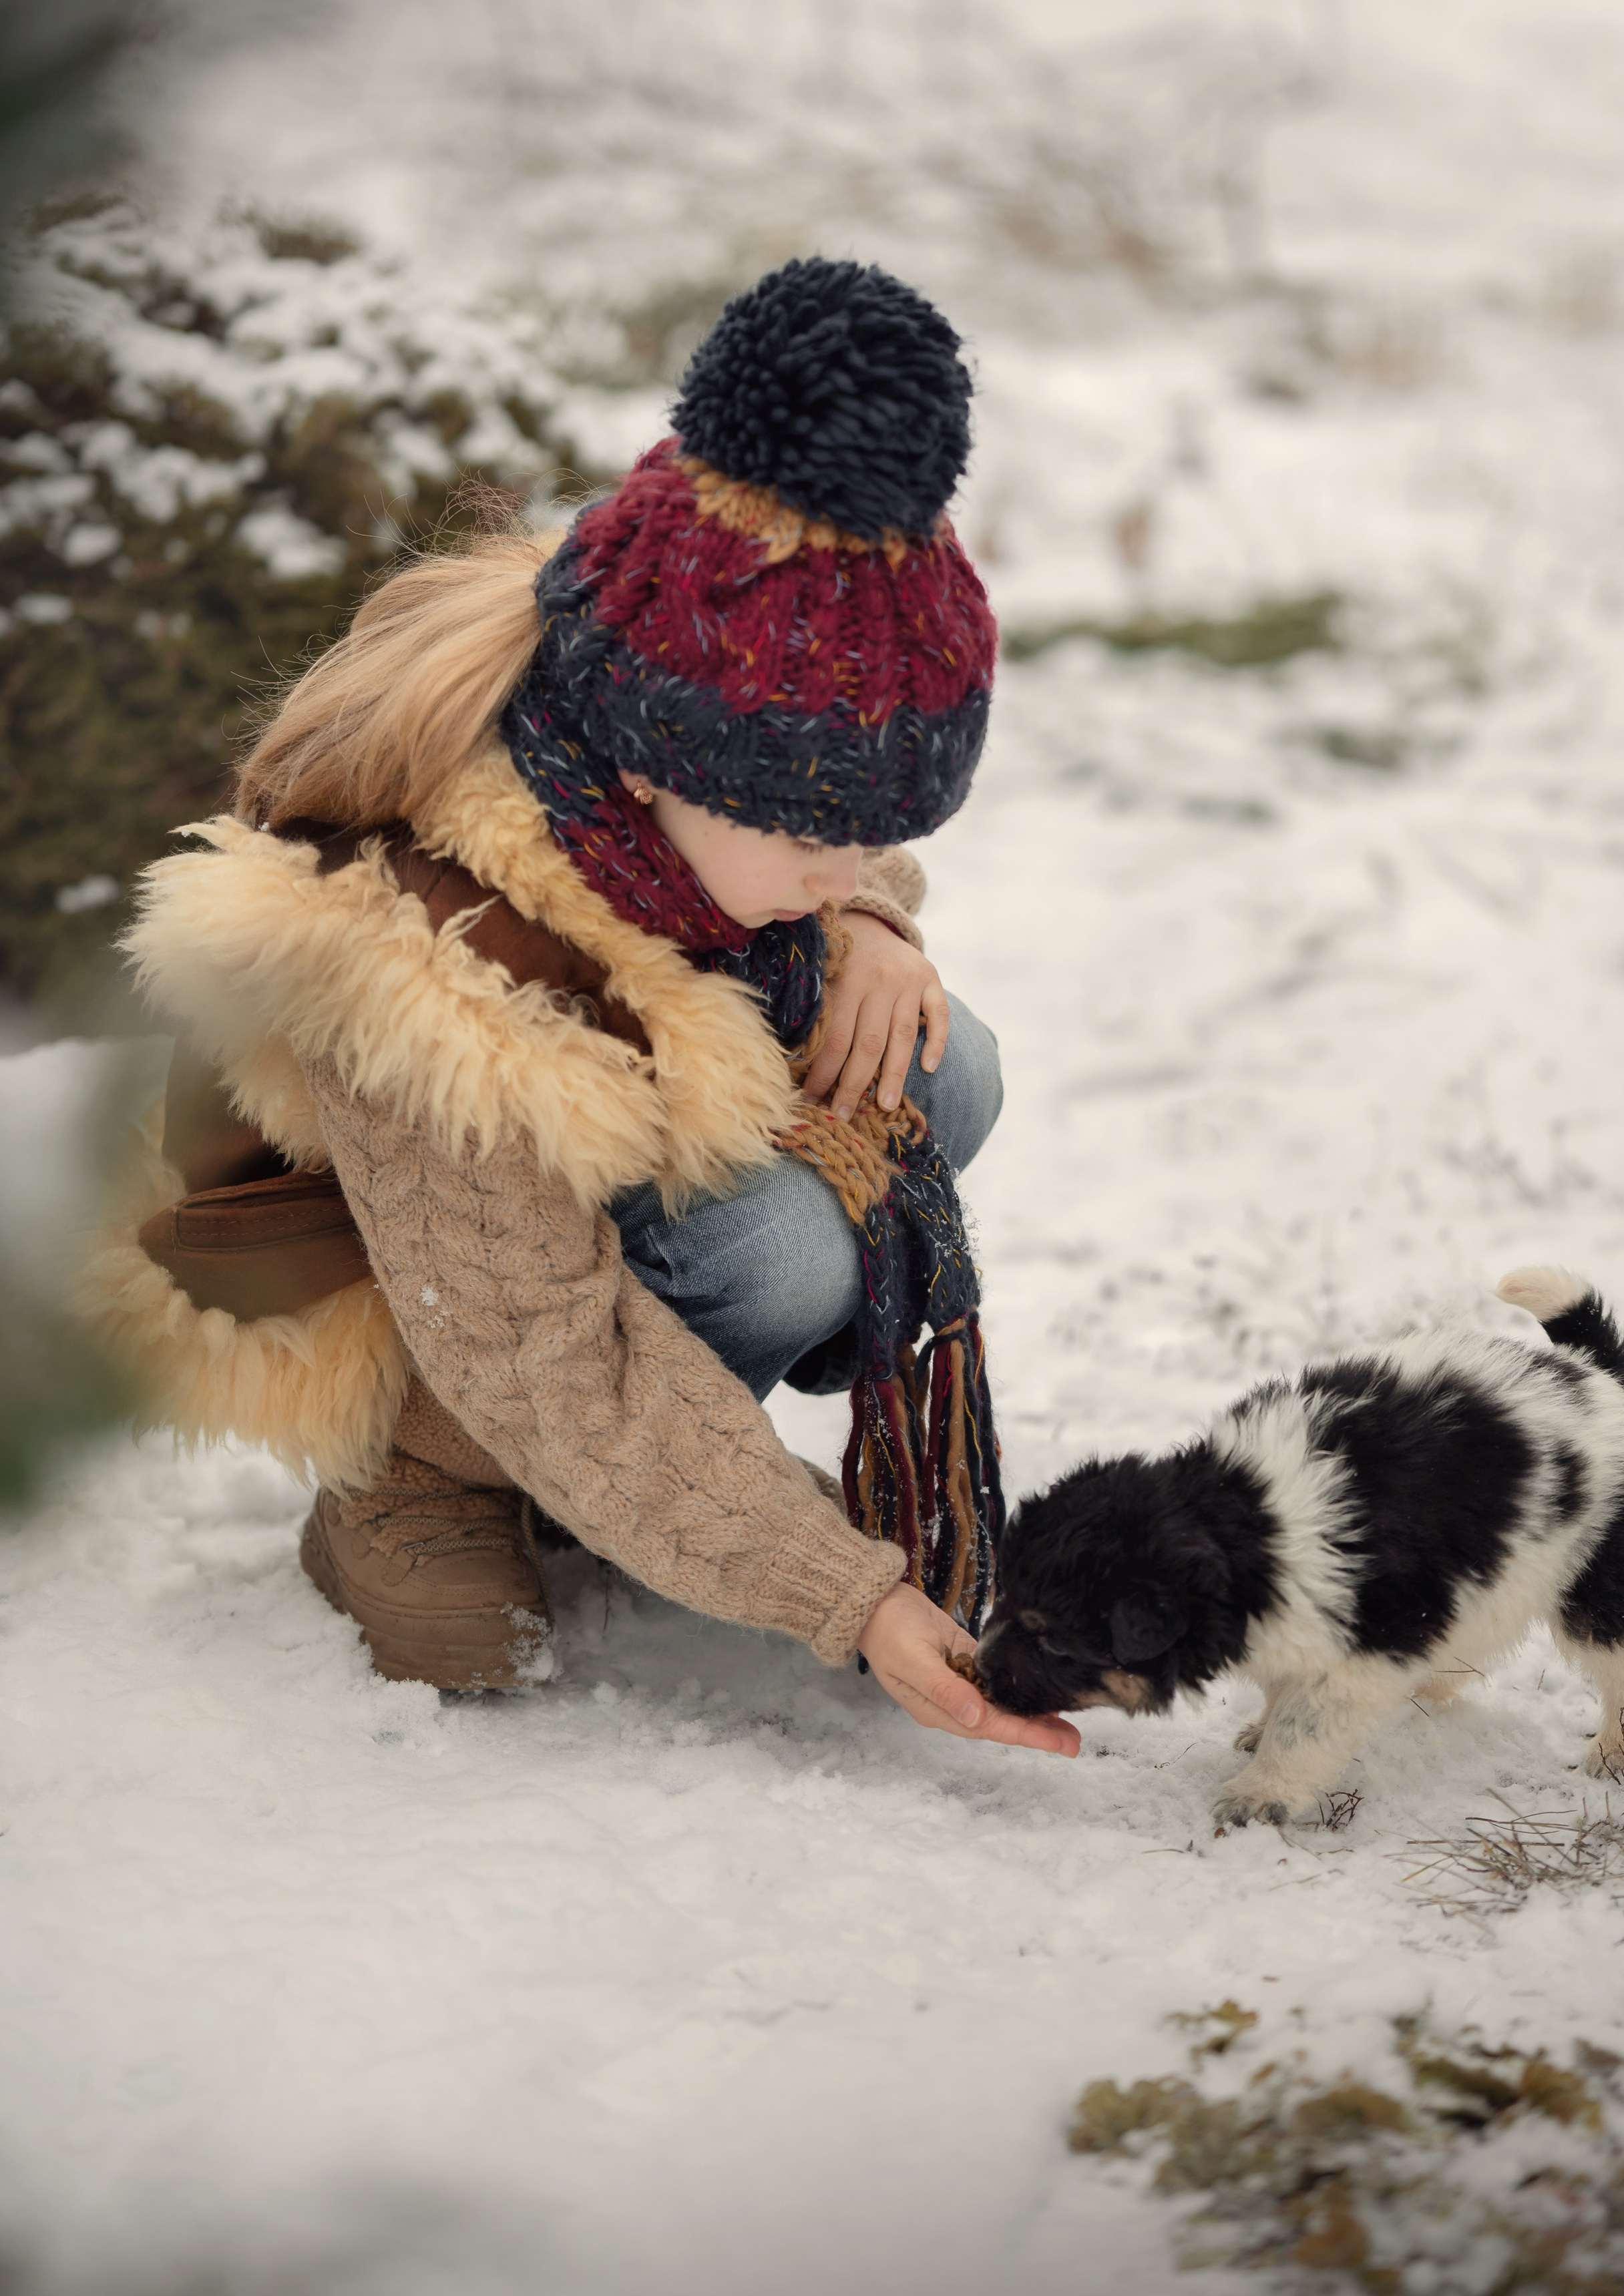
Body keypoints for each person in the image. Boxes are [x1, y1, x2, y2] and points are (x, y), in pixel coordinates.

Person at [84, 258, 1079, 1761]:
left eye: (860, 835)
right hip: (407, 1287)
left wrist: (869, 918)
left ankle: (644, 1487)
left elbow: (830, 842)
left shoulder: (665, 694)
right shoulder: (423, 958)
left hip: (566, 1198)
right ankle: (414, 1476)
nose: (841, 868)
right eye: (816, 840)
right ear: (658, 763)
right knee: (761, 1260)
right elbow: (548, 1349)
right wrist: (840, 1591)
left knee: (946, 1071)